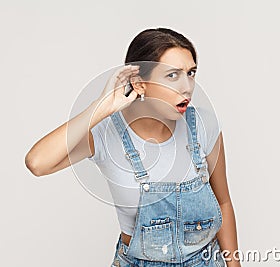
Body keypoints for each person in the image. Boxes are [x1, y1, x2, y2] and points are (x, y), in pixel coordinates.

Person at [25, 27, 241, 267]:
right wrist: (102, 107)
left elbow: (223, 202)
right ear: (139, 83)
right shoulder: (107, 134)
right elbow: (37, 163)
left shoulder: (203, 124)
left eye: (191, 73)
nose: (187, 87)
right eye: (172, 76)